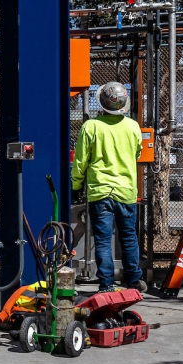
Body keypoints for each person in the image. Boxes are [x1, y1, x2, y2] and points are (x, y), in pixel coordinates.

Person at [72, 81, 146, 292]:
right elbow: (137, 154)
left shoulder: (91, 127)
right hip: (127, 191)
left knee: (103, 240)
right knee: (129, 237)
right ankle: (133, 279)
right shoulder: (133, 126)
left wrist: (76, 185)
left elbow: (81, 161)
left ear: (101, 104)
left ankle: (106, 284)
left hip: (100, 192)